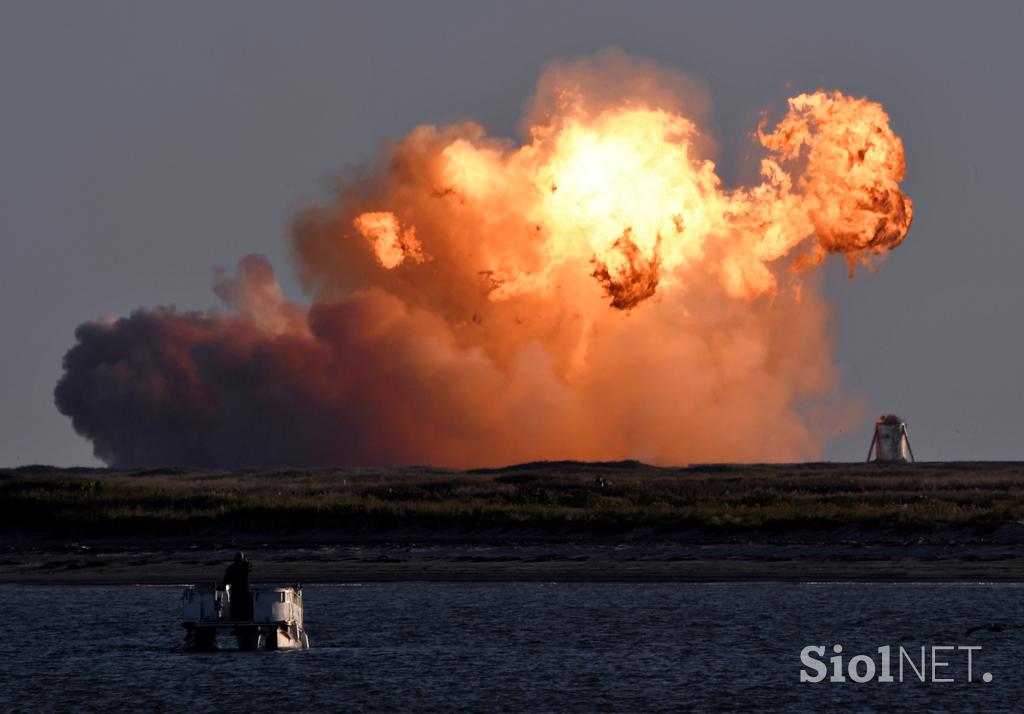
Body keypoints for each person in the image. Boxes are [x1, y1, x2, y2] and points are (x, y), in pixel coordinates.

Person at [224, 551, 253, 621]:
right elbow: (250, 567)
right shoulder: (245, 566)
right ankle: (246, 619)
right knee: (246, 607)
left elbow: (226, 579)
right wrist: (246, 560)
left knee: (235, 607)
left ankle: (235, 619)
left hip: (235, 591)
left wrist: (226, 586)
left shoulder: (231, 567)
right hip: (245, 590)